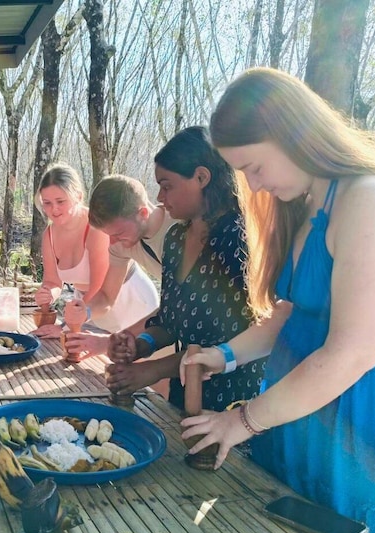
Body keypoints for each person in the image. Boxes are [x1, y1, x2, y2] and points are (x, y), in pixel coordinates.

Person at [180, 68, 375, 533]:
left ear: (292, 132)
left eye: (253, 166)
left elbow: (353, 352)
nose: (254, 185)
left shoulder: (374, 199)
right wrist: (223, 356)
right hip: (298, 410)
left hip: (364, 422)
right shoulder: (308, 205)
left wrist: (242, 421)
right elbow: (290, 317)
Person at [106, 127, 263, 412]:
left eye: (167, 185)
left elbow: (229, 341)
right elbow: (171, 320)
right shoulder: (177, 239)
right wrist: (140, 345)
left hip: (234, 403)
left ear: (202, 177)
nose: (160, 196)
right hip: (184, 394)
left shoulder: (239, 240)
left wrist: (150, 371)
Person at [32, 164, 159, 340]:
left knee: (134, 357)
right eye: (47, 203)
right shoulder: (49, 234)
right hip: (90, 306)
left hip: (128, 300)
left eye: (61, 201)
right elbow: (53, 281)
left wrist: (67, 325)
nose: (54, 210)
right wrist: (48, 293)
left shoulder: (97, 226)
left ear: (78, 196)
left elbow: (99, 287)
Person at [61, 174, 174, 359]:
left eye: (118, 233)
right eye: (108, 235)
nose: (112, 242)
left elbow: (174, 309)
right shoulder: (119, 244)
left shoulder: (179, 231)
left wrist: (108, 342)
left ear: (143, 213)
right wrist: (86, 311)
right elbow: (106, 296)